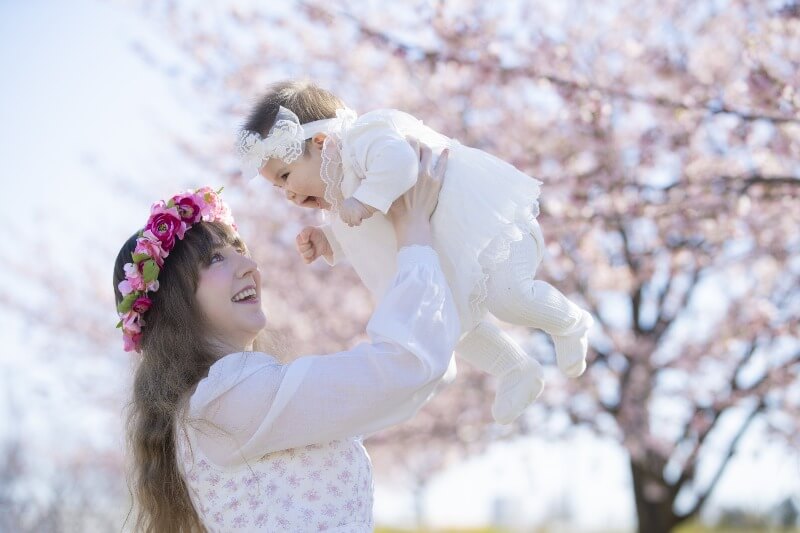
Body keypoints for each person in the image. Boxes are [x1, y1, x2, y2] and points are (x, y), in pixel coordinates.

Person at [112, 152, 459, 531]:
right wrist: (412, 233)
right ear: (174, 305)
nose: (250, 266)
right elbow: (404, 367)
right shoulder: (225, 400)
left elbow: (421, 368)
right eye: (214, 259)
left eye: (239, 251)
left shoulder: (229, 398)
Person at [237, 79, 593, 424]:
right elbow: (367, 232)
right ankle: (515, 367)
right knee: (447, 327)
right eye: (277, 187)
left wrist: (363, 201)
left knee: (508, 296)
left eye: (285, 176)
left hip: (486, 233)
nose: (287, 194)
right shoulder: (346, 200)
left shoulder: (364, 138)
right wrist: (329, 240)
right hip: (450, 261)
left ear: (320, 141)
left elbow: (400, 164)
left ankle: (569, 322)